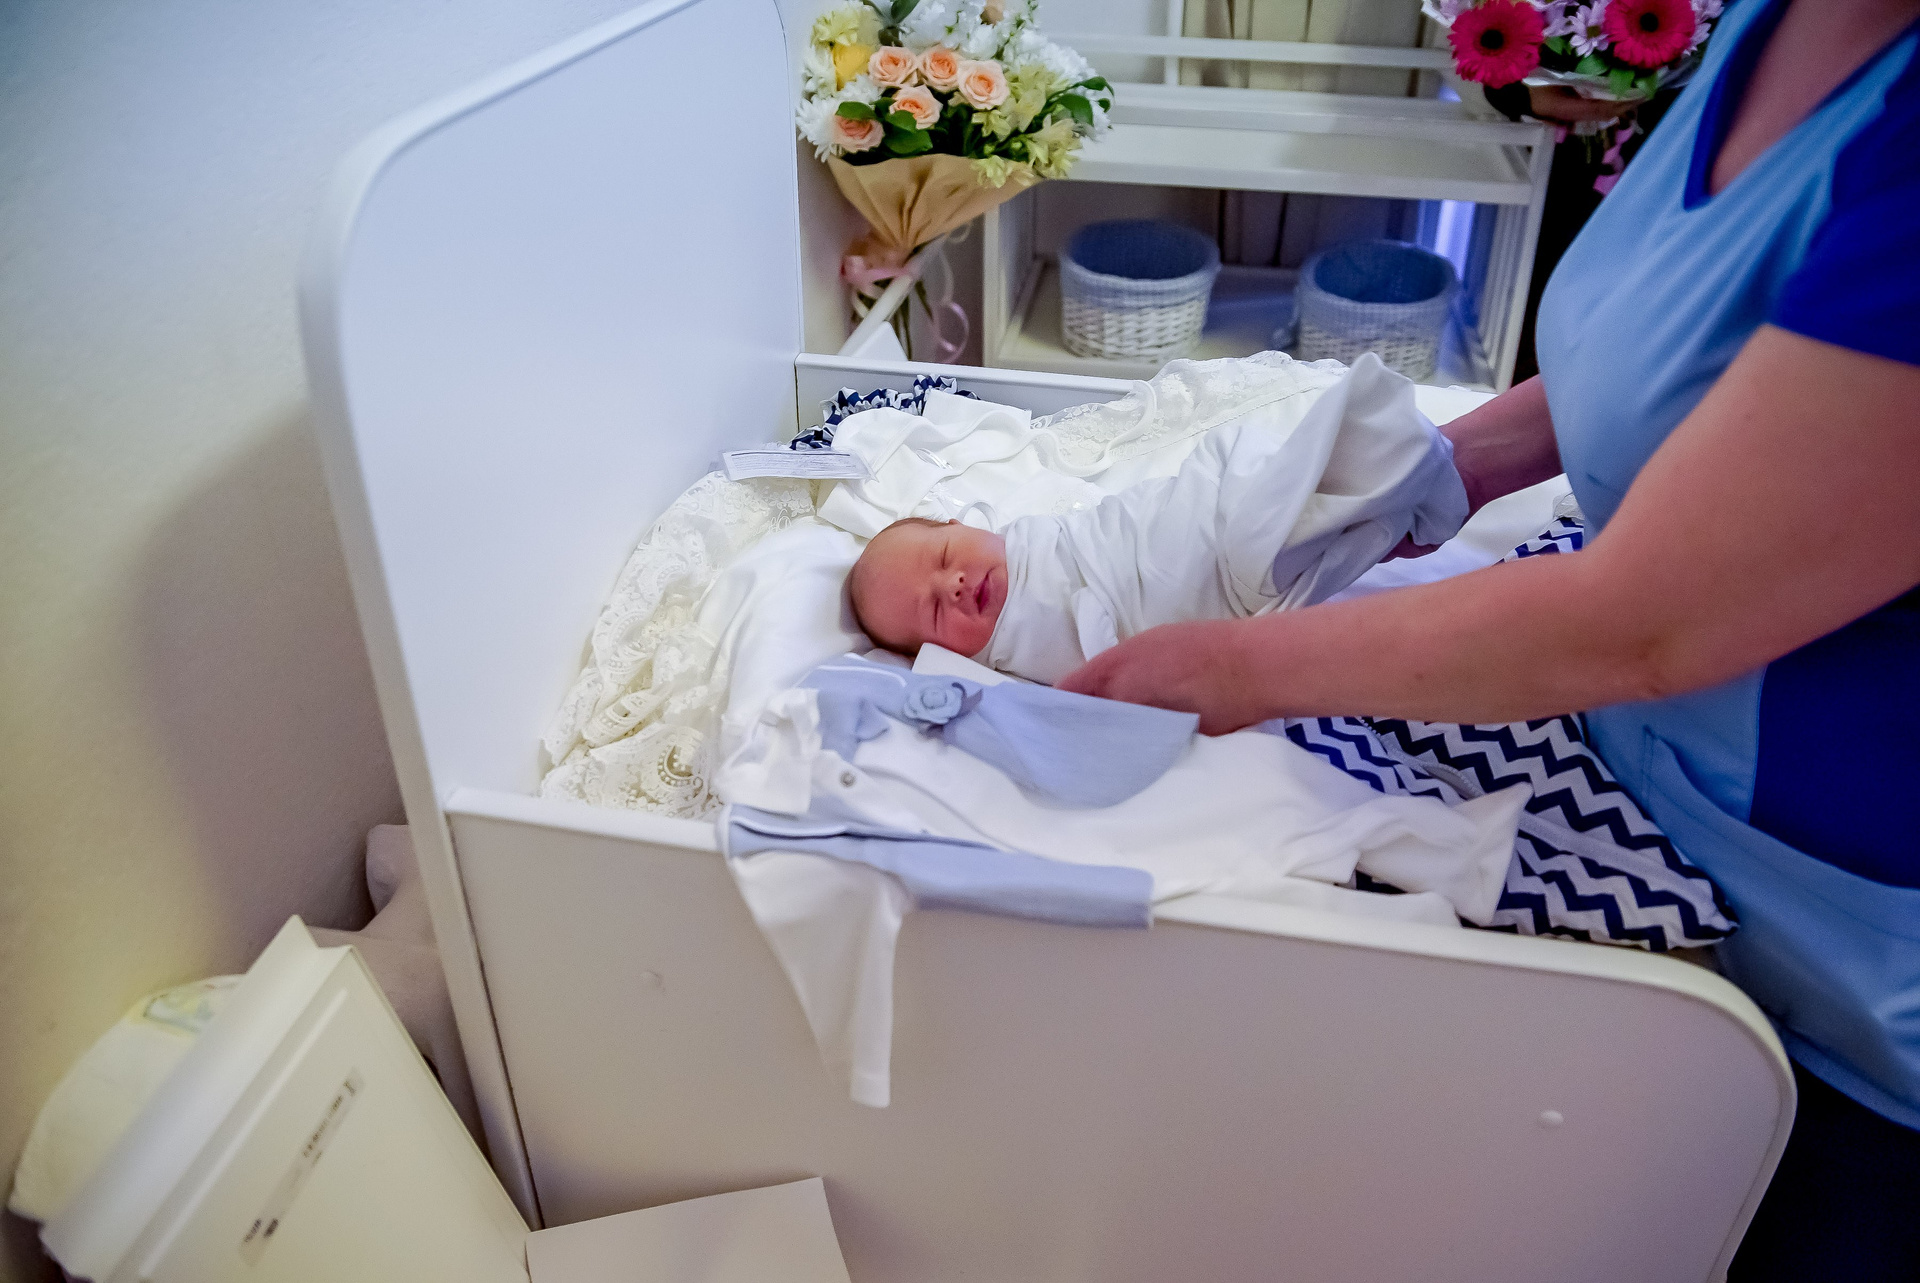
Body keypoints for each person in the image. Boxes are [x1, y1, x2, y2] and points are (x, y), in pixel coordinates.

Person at [1062, 0, 1920, 1276]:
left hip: (1846, 948)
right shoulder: (1779, 23)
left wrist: (1233, 668)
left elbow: (1649, 619)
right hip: (1634, 775)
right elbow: (1685, 368)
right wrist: (1422, 474)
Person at [847, 356, 1466, 683]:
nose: (954, 585)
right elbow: (1098, 671)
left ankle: (1380, 462)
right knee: (1268, 541)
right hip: (1194, 586)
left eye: (945, 557)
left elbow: (1098, 525)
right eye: (934, 612)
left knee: (1240, 481)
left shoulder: (1016, 534)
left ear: (961, 526)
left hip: (1171, 524)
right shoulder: (1005, 656)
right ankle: (1389, 468)